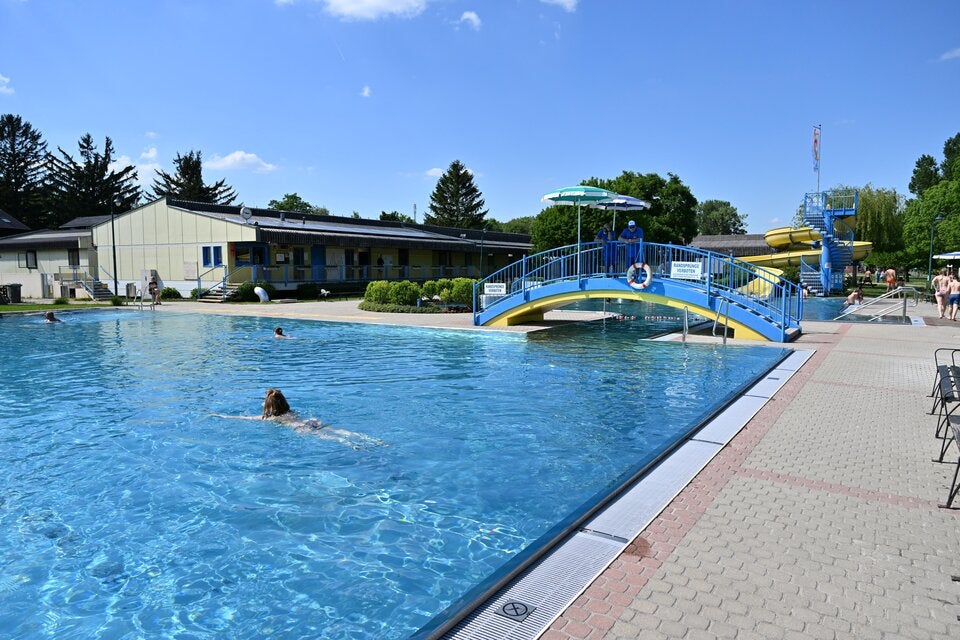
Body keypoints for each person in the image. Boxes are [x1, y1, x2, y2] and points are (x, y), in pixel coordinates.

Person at [217, 388, 382, 448]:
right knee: (338, 431)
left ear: (269, 406)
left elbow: (245, 418)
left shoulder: (268, 418)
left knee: (329, 437)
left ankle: (351, 445)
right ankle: (367, 438)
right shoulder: (290, 411)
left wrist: (221, 415)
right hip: (310, 420)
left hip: (300, 428)